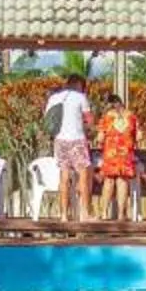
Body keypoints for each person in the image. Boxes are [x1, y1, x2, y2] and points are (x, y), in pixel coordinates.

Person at [43, 71, 95, 224]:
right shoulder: (80, 97)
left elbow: (47, 120)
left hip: (60, 140)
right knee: (83, 175)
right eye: (83, 86)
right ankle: (85, 214)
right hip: (77, 139)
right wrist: (88, 128)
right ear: (79, 84)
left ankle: (64, 215)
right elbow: (90, 120)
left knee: (64, 177)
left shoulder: (53, 98)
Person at [97, 94, 140, 223]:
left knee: (109, 182)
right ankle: (121, 214)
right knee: (123, 181)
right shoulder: (132, 116)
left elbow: (100, 138)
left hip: (110, 153)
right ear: (121, 103)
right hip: (126, 153)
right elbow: (139, 137)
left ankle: (104, 213)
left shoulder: (106, 118)